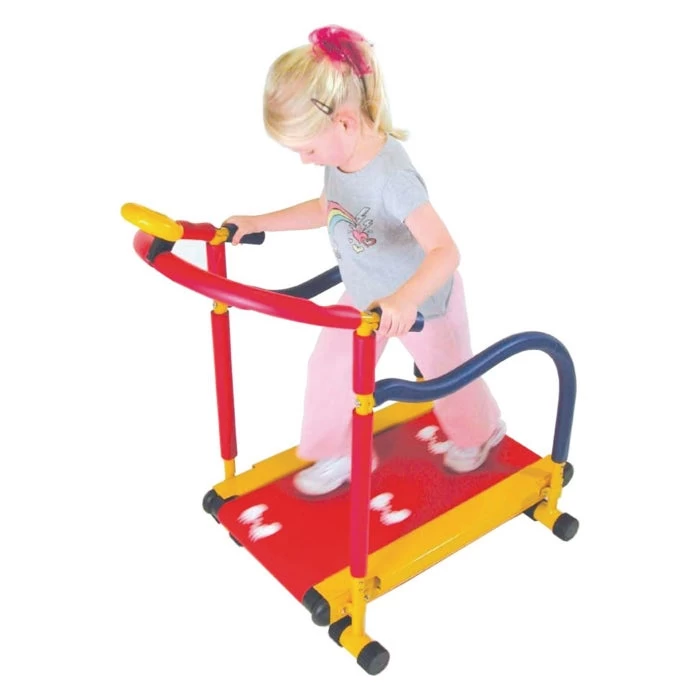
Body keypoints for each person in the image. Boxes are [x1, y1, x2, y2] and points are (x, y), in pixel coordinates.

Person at [224, 25, 505, 496]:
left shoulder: (392, 178)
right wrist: (258, 222)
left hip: (423, 301)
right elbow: (327, 209)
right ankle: (340, 452)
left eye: (307, 149)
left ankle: (481, 432)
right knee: (330, 367)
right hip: (365, 292)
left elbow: (445, 251)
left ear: (345, 123)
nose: (305, 160)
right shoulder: (340, 159)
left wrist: (406, 299)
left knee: (449, 377)